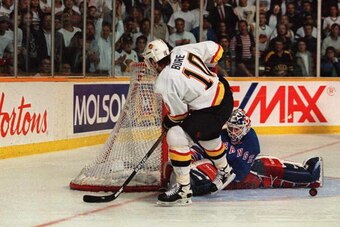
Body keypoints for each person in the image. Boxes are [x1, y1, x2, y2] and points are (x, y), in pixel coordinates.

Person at [143, 39, 234, 206]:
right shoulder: (180, 50)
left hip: (211, 110)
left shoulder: (164, 81)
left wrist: (167, 123)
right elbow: (217, 51)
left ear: (152, 61)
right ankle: (226, 170)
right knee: (206, 134)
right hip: (224, 92)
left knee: (176, 135)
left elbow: (179, 115)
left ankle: (184, 190)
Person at [164, 109, 323, 196]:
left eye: (237, 129)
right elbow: (199, 149)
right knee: (202, 166)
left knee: (268, 167)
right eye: (231, 128)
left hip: (239, 175)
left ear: (245, 128)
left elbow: (238, 176)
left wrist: (216, 182)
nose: (233, 132)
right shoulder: (221, 134)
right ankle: (182, 181)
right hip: (220, 171)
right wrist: (188, 159)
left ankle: (310, 175)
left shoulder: (251, 142)